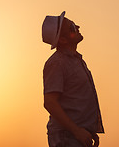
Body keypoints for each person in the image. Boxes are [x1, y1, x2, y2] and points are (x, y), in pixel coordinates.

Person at [42, 11, 104, 147]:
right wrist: (76, 131)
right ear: (63, 39)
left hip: (74, 136)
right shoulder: (57, 63)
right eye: (73, 27)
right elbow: (50, 102)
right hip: (67, 137)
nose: (78, 27)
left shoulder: (76, 61)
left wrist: (88, 130)